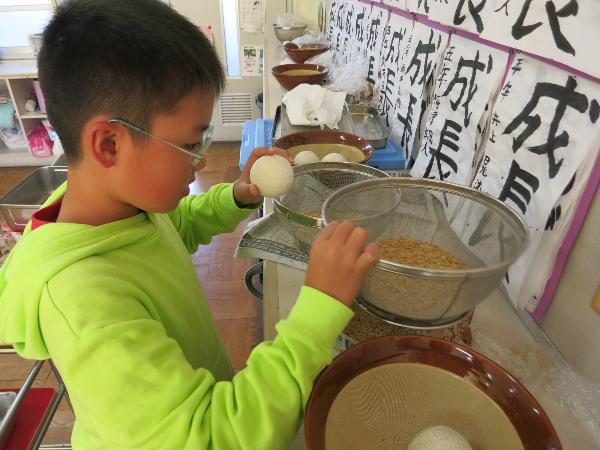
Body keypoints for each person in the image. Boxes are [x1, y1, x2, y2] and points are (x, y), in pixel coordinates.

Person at [0, 1, 379, 449]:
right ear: (109, 144)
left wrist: (237, 196)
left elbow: (172, 226)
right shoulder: (85, 306)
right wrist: (318, 312)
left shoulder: (112, 206)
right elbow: (213, 438)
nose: (199, 161)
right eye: (189, 144)